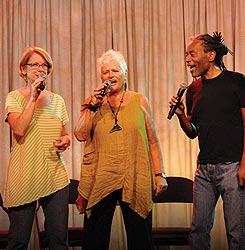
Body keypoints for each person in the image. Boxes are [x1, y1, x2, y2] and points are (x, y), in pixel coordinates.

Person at [74, 49, 168, 250]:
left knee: (140, 238)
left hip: (135, 175)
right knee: (95, 239)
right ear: (101, 76)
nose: (110, 76)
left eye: (115, 70)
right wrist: (92, 106)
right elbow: (80, 134)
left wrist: (160, 174)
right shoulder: (93, 103)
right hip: (102, 177)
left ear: (125, 73)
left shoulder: (139, 100)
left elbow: (153, 141)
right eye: (106, 72)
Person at [169, 32, 245, 249]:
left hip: (232, 168)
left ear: (210, 55)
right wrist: (180, 115)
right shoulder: (193, 89)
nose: (187, 59)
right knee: (198, 231)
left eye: (192, 53)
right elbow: (192, 131)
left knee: (236, 233)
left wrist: (244, 164)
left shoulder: (236, 81)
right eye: (186, 54)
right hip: (204, 170)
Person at [4, 47, 71, 250]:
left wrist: (66, 140)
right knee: (18, 240)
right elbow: (19, 129)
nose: (40, 69)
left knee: (58, 240)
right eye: (34, 65)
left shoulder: (58, 100)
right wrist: (33, 97)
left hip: (54, 173)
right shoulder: (14, 97)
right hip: (25, 173)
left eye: (44, 65)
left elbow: (64, 133)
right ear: (24, 69)